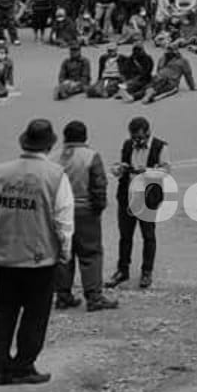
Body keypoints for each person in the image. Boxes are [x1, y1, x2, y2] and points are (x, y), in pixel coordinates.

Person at [0, 119, 73, 386]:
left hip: (5, 254)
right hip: (40, 257)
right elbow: (63, 220)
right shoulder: (55, 175)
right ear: (49, 145)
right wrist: (65, 252)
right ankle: (23, 365)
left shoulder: (0, 173)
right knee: (35, 315)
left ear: (24, 142)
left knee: (3, 312)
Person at [53, 122, 118, 313]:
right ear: (85, 137)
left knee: (64, 253)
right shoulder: (91, 156)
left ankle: (63, 296)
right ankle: (94, 297)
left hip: (59, 212)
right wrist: (98, 209)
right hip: (85, 211)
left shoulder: (54, 157)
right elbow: (99, 186)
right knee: (90, 254)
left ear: (65, 137)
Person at [109, 117, 169, 290]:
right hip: (127, 196)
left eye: (140, 138)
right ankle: (122, 270)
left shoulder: (160, 146)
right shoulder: (128, 145)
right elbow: (119, 167)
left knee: (148, 236)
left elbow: (165, 171)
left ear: (148, 132)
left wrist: (148, 171)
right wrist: (119, 169)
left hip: (148, 198)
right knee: (125, 236)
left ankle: (146, 272)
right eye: (134, 138)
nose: (137, 141)